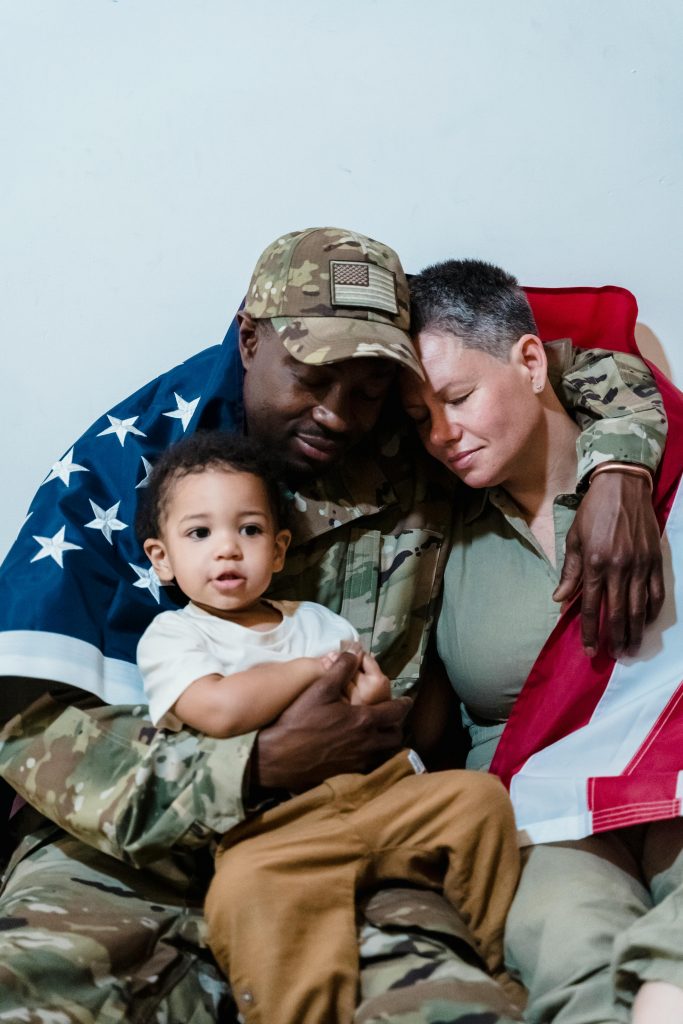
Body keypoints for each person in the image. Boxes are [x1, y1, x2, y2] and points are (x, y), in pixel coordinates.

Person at [0, 226, 668, 1023]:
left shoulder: (412, 438)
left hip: (356, 821)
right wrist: (253, 765)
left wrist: (619, 467)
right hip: (134, 844)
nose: (336, 412)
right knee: (34, 988)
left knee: (448, 1009)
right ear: (249, 339)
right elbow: (33, 727)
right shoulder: (127, 472)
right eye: (312, 376)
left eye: (367, 386)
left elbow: (570, 369)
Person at [135, 429, 521, 1024]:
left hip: (376, 798)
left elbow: (367, 706)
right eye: (199, 533)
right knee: (243, 889)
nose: (228, 550)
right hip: (272, 828)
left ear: (281, 549)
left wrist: (374, 694)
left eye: (250, 530)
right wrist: (310, 672)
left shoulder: (315, 620)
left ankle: (496, 961)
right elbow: (219, 709)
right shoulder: (177, 637)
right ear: (162, 557)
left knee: (477, 800)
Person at [402, 257, 682, 1024]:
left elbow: (623, 367)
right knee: (572, 950)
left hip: (674, 769)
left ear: (529, 362)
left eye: (458, 398)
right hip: (538, 809)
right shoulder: (428, 533)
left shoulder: (657, 471)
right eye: (420, 415)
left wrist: (620, 469)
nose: (441, 434)